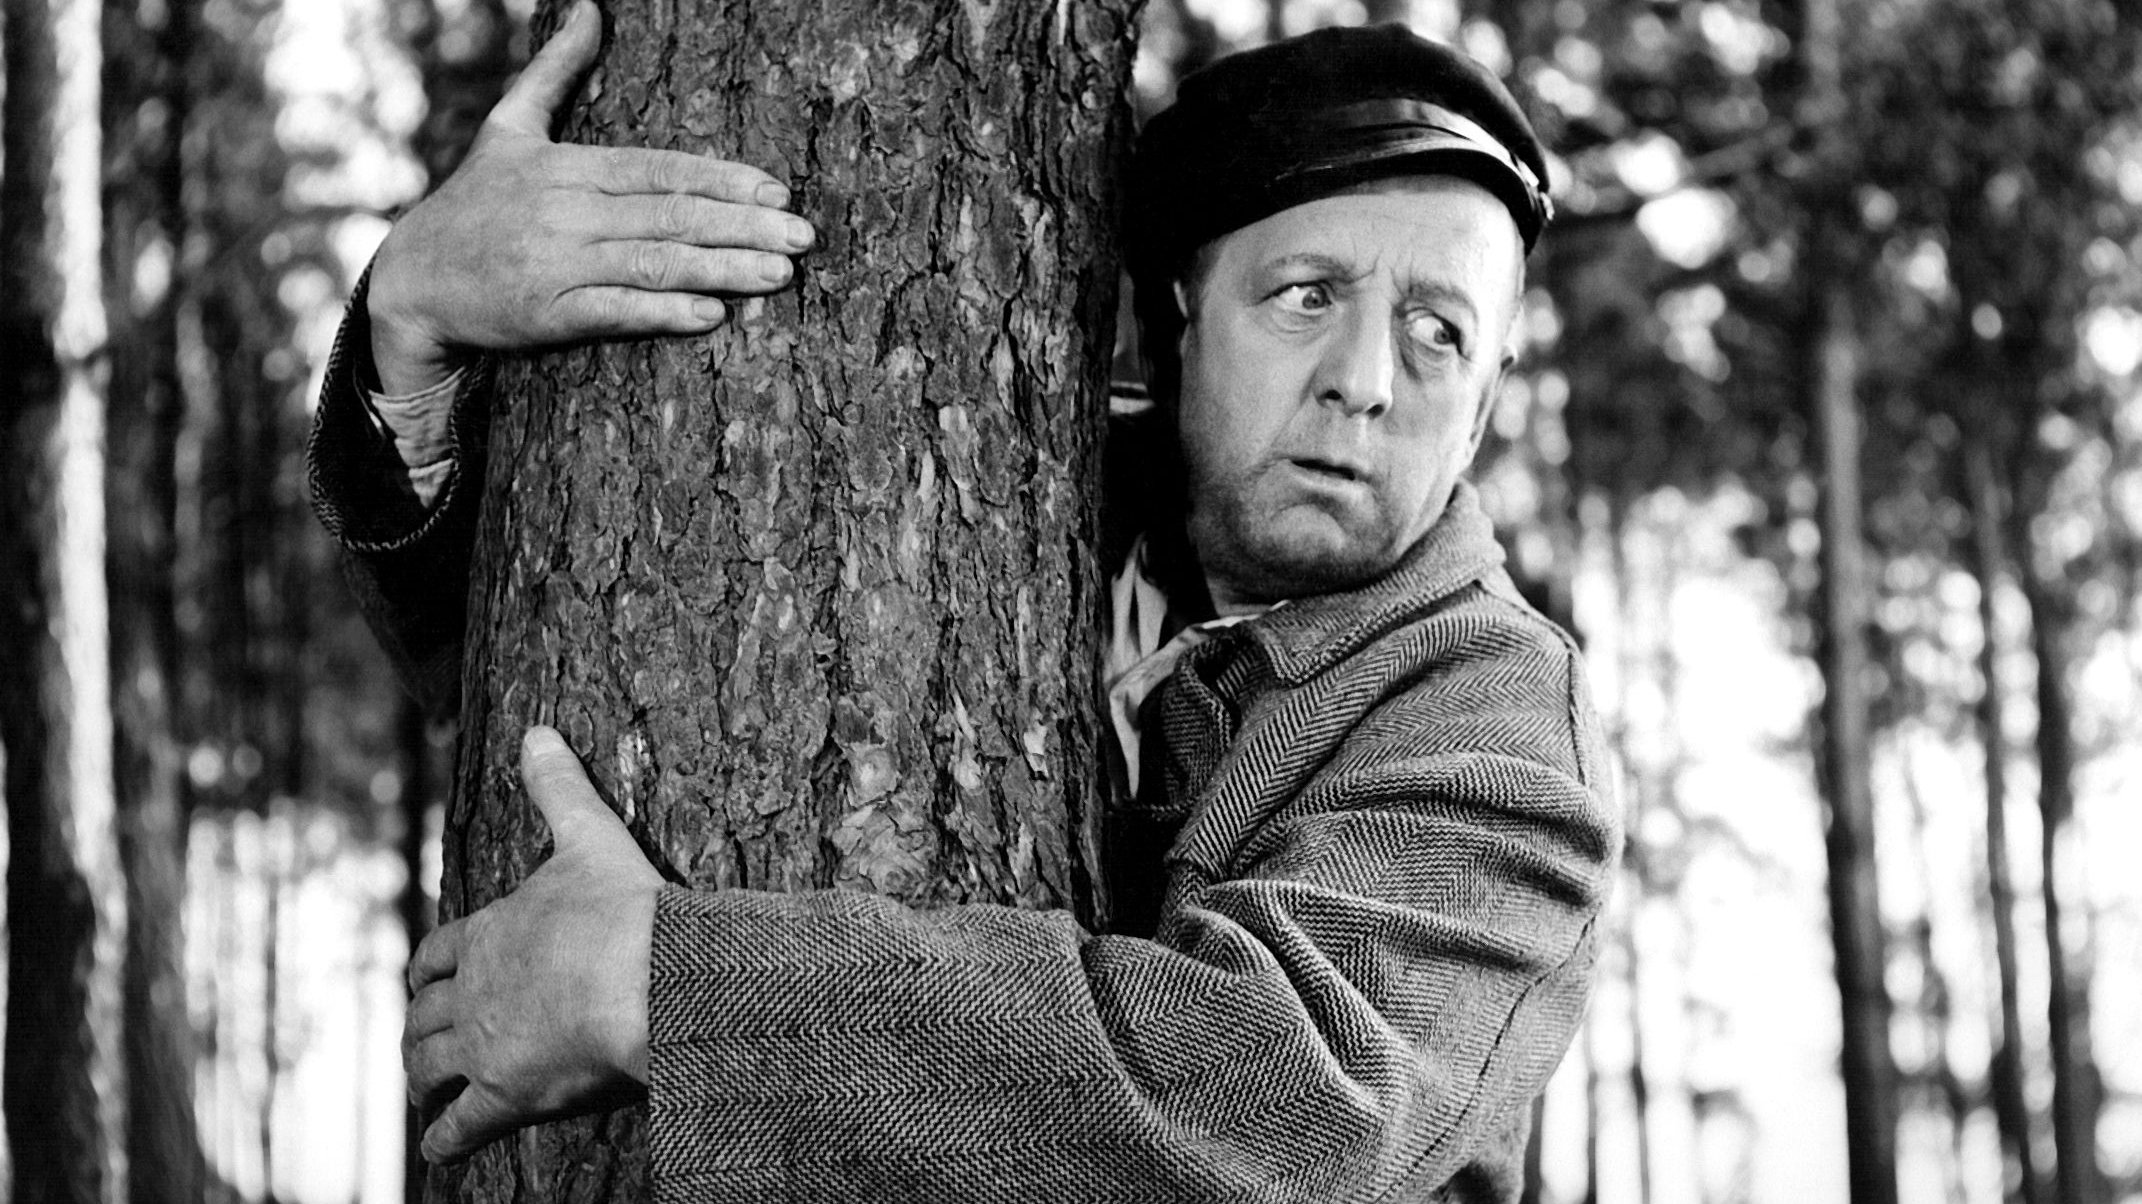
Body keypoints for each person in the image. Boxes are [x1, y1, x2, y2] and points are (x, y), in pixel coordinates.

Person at [311, 3, 1621, 1198]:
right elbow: (532, 653)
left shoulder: (1495, 714)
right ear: (1179, 319)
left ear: (1486, 398)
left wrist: (659, 988)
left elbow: (1286, 1109)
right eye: (1305, 296)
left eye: (1438, 330)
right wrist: (408, 335)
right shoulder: (1009, 474)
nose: (1367, 379)